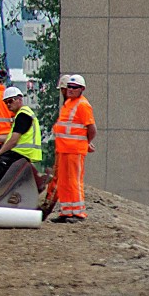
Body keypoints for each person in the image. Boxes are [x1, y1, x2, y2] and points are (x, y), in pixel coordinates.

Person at [51, 73, 97, 222]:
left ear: (81, 89)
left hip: (75, 150)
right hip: (63, 149)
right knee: (63, 181)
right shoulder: (68, 104)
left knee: (74, 181)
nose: (70, 89)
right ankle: (66, 212)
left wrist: (85, 142)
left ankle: (78, 213)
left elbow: (92, 129)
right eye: (69, 87)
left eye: (74, 87)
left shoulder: (83, 105)